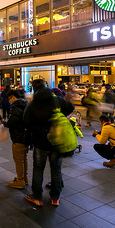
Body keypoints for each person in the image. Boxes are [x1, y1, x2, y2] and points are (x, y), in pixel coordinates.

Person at [23, 79, 74, 207]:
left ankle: (37, 197)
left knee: (38, 168)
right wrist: (59, 117)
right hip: (57, 141)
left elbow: (26, 120)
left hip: (40, 142)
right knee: (56, 168)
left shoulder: (33, 103)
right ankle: (55, 197)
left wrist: (38, 128)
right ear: (46, 86)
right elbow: (70, 107)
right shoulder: (56, 99)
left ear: (34, 89)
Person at [4, 89, 29, 189]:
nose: (9, 101)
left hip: (18, 137)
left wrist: (5, 122)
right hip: (26, 136)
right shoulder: (26, 104)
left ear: (13, 97)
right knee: (24, 159)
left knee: (18, 159)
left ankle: (20, 181)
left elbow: (11, 123)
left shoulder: (15, 107)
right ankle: (24, 178)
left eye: (9, 98)